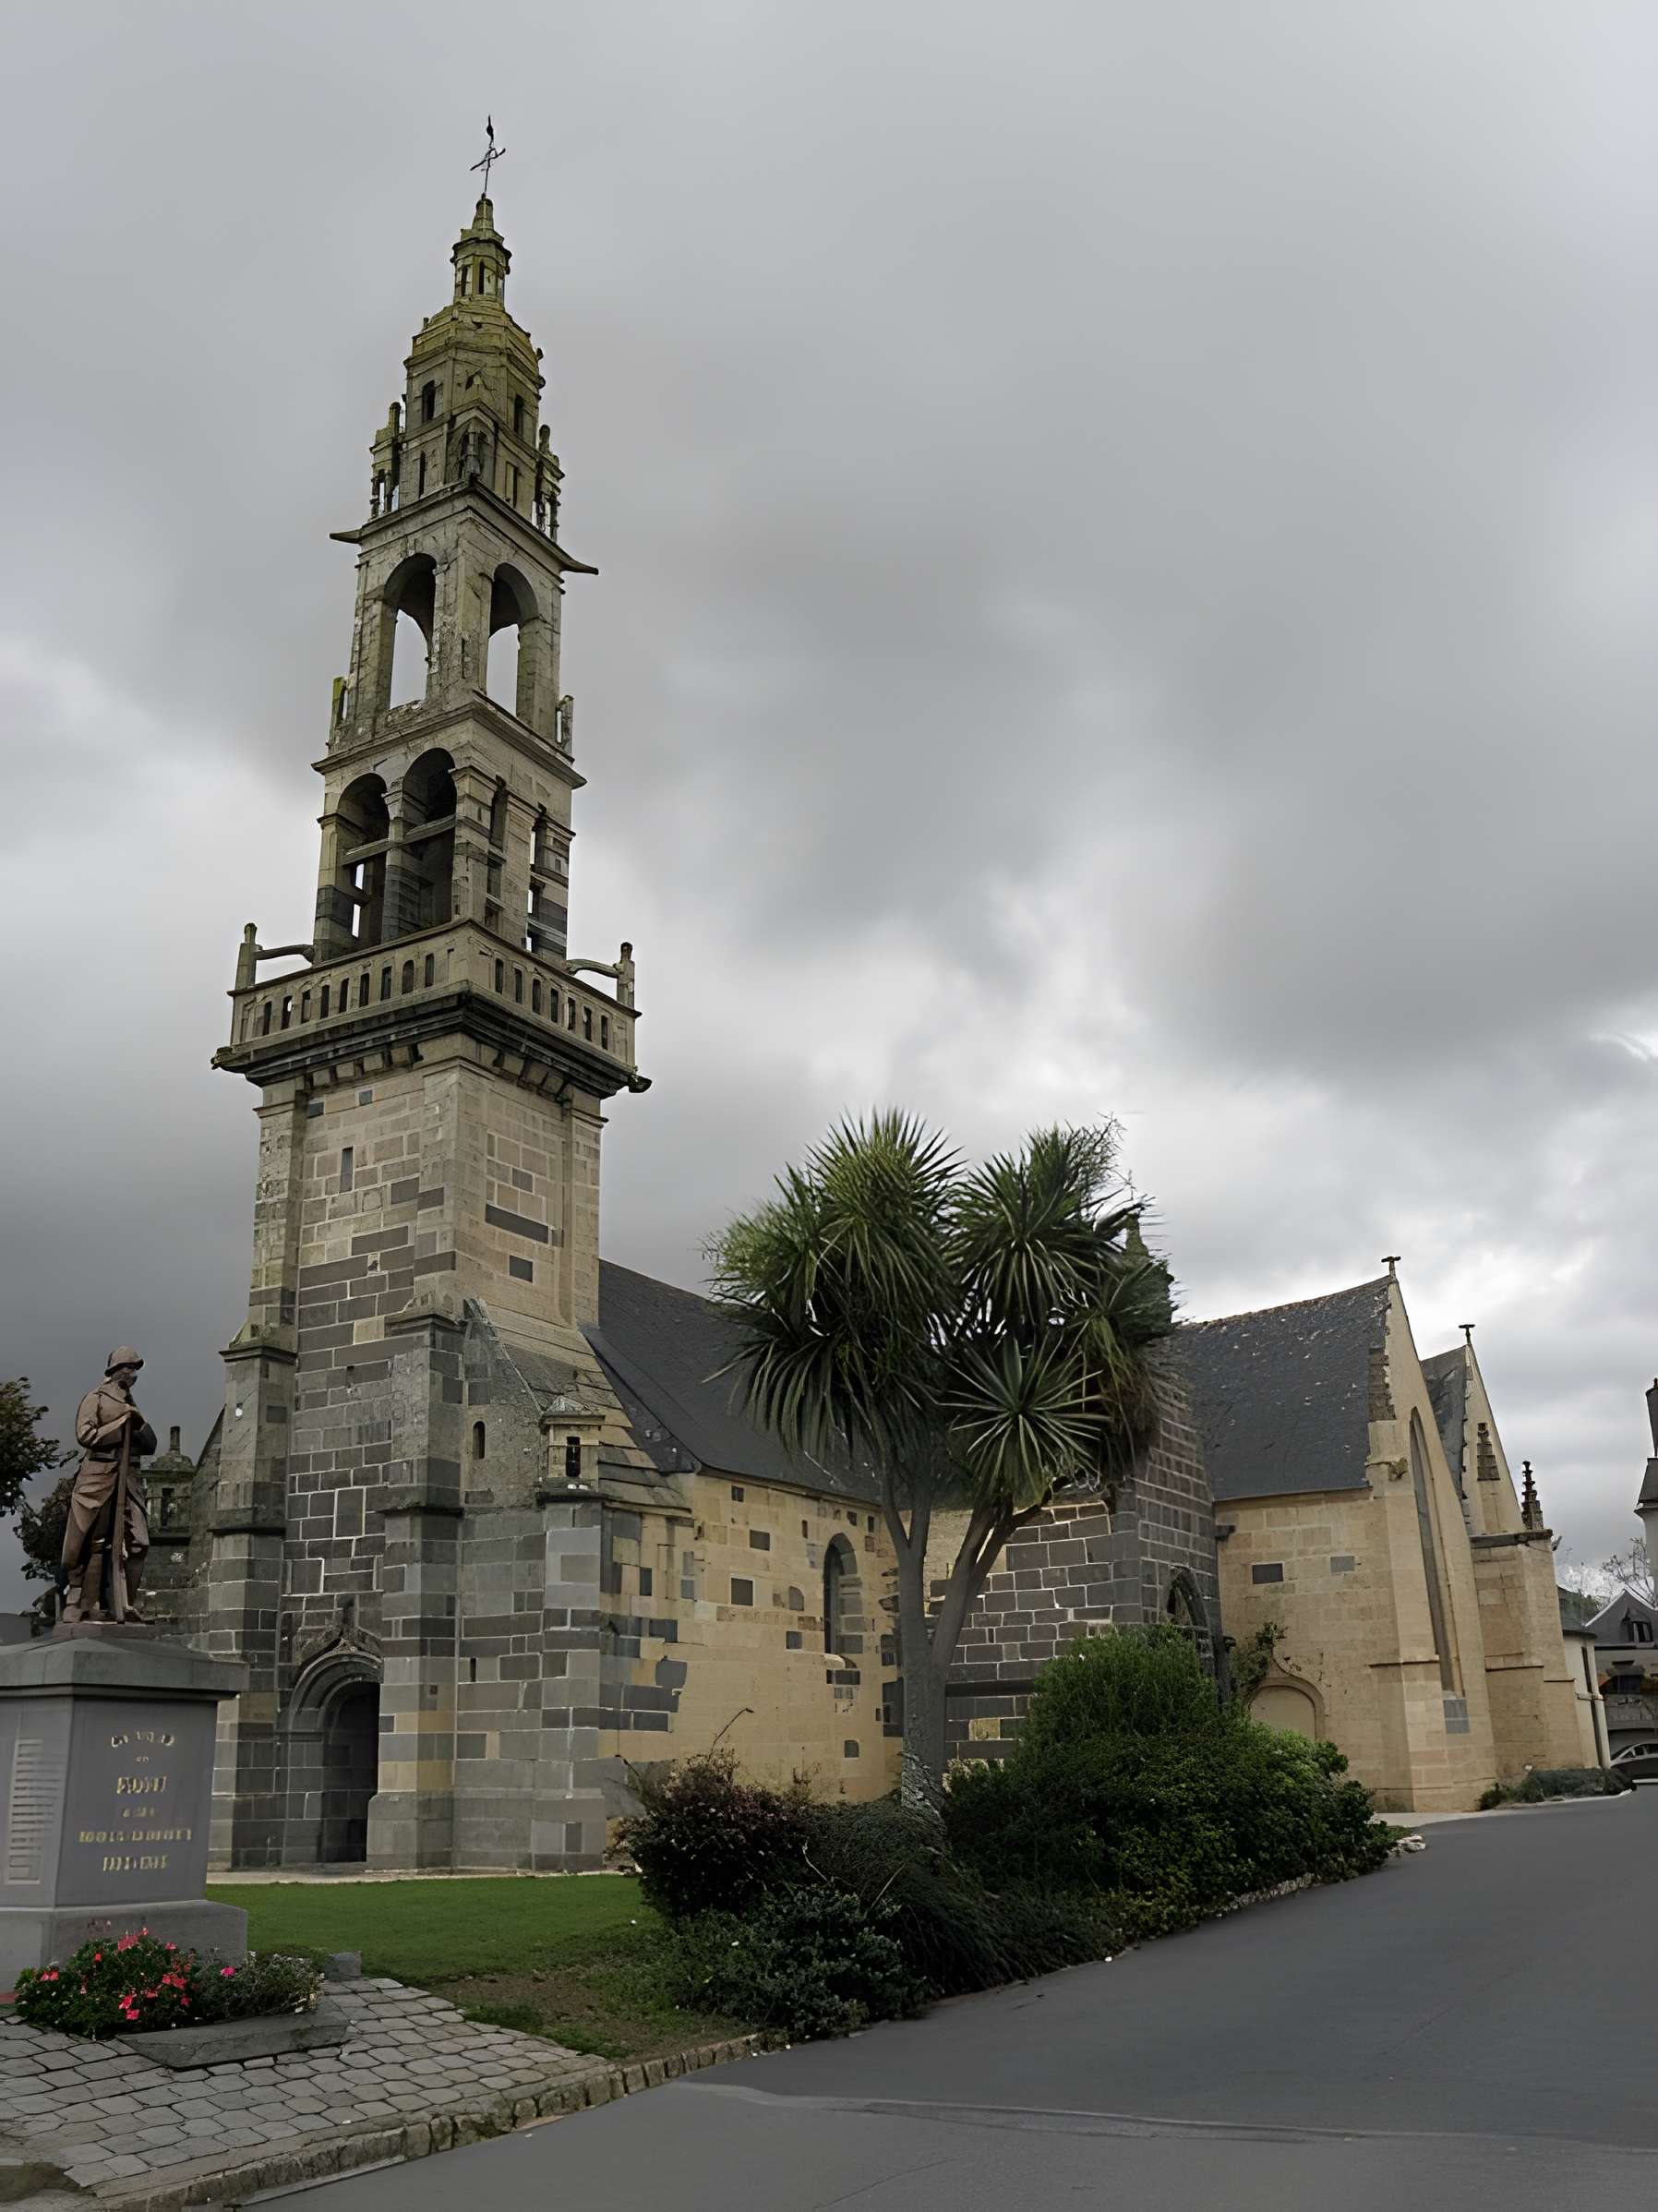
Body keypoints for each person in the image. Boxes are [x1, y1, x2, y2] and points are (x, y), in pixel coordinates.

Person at [61, 1347, 155, 1624]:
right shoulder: (96, 1398)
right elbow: (86, 1434)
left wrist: (139, 1427)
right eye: (128, 1366)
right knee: (94, 1541)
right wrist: (119, 1424)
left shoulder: (131, 1404)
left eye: (135, 1368)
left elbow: (148, 1445)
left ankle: (124, 1603)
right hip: (98, 1476)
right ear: (114, 1370)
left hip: (128, 1479)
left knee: (138, 1542)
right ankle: (84, 1602)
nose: (132, 1373)